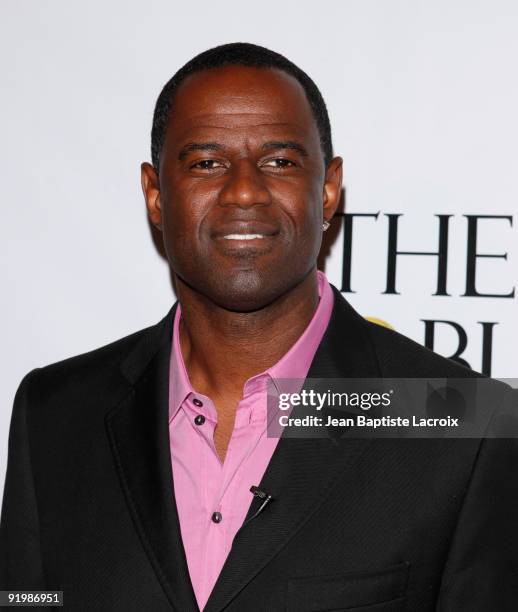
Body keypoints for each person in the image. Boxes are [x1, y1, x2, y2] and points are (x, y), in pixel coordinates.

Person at [1, 42, 517, 611]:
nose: (243, 190)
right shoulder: (53, 414)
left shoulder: (460, 423)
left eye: (278, 161)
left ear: (327, 188)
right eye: (206, 163)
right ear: (154, 194)